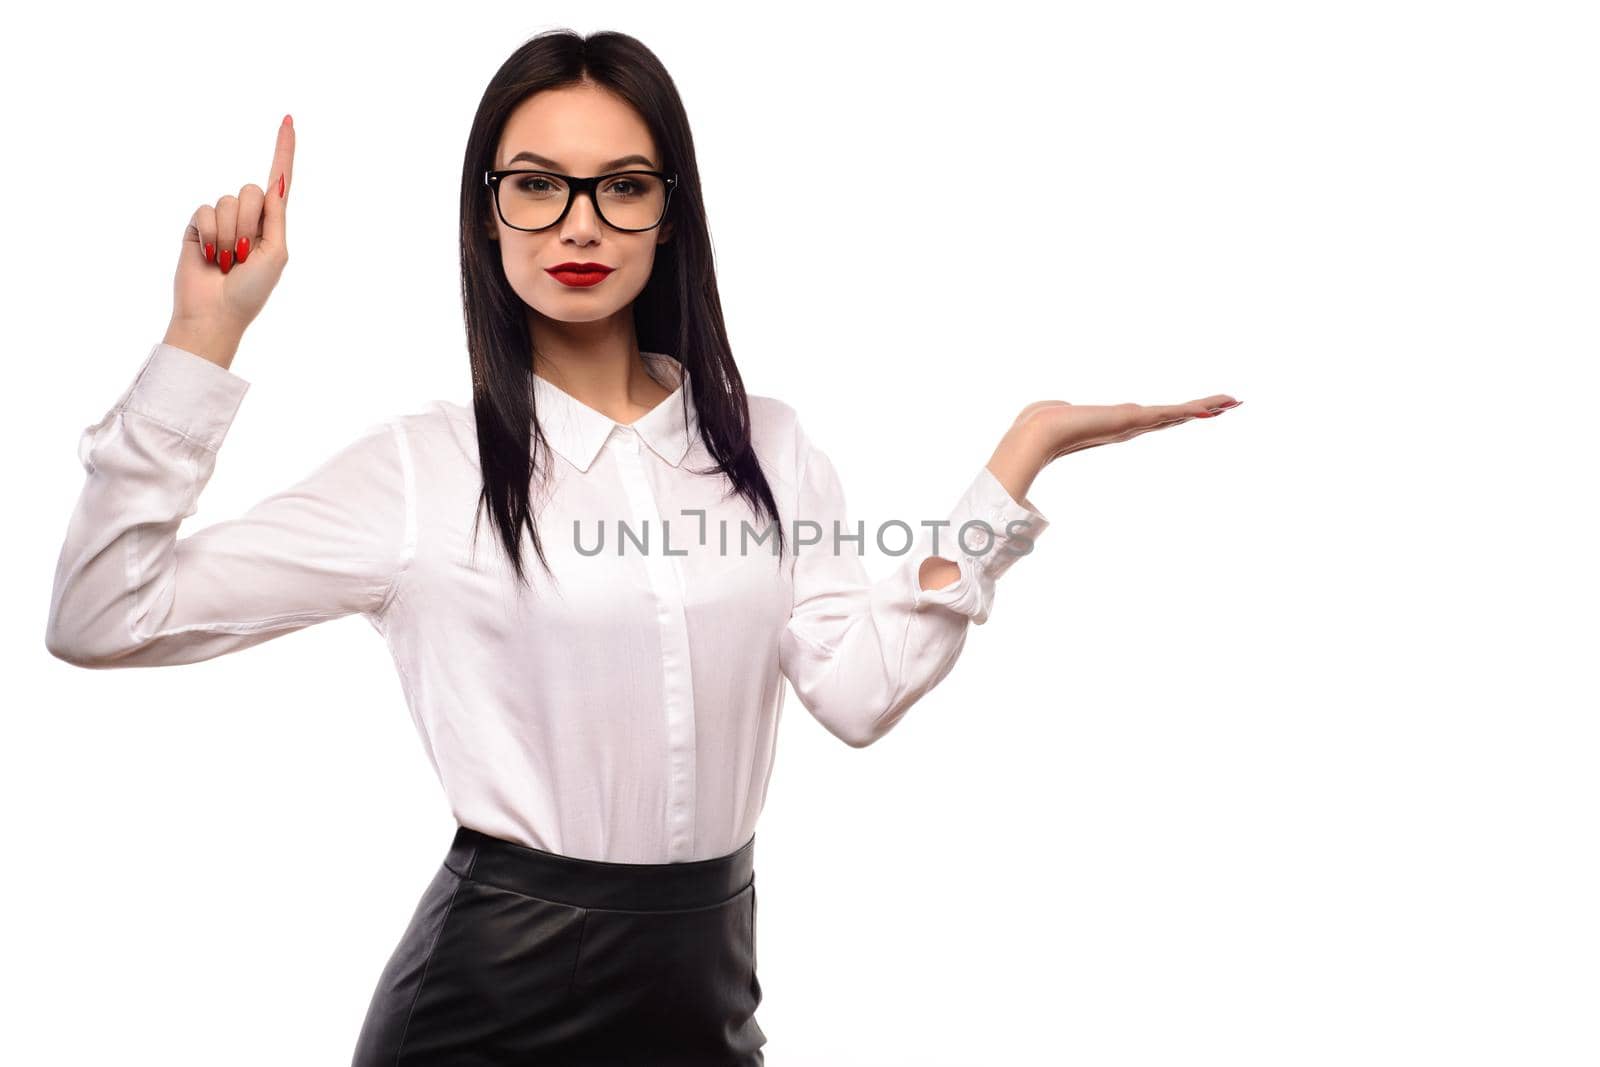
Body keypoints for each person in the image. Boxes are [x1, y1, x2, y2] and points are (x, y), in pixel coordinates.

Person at [43, 29, 1239, 1066]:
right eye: (536, 185)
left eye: (621, 185)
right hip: (487, 1002)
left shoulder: (769, 445)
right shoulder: (421, 468)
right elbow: (103, 615)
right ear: (486, 210)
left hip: (707, 988)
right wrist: (202, 339)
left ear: (670, 212)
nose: (579, 223)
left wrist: (1015, 456)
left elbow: (860, 693)